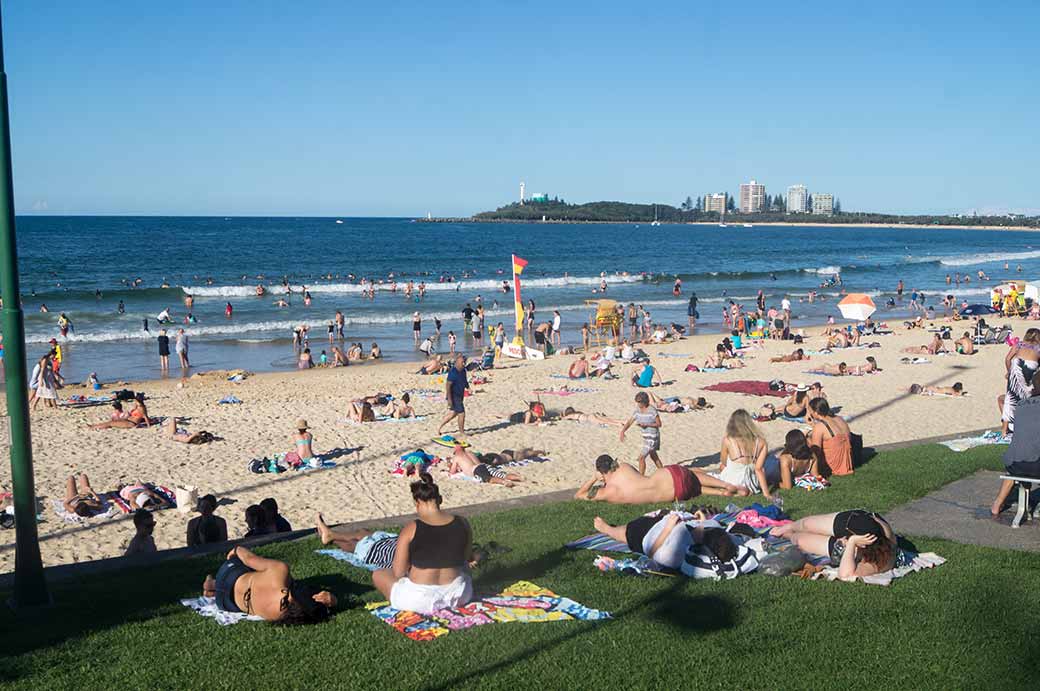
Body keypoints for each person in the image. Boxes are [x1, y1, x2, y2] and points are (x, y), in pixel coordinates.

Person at [371, 473, 474, 615]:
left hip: (419, 600)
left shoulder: (412, 528)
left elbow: (399, 572)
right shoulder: (463, 522)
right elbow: (465, 559)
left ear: (417, 503)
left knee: (379, 574)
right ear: (440, 499)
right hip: (458, 595)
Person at [201, 545, 335, 623]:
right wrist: (334, 602)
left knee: (253, 567)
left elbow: (249, 558)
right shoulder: (282, 615)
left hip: (228, 575)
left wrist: (237, 549)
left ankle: (212, 583)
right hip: (225, 604)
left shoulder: (280, 571)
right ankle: (212, 591)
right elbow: (315, 613)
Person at [771, 510, 898, 580]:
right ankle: (788, 527)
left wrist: (851, 543)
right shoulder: (882, 531)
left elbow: (845, 574)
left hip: (848, 546)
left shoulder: (880, 559)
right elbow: (879, 522)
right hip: (853, 521)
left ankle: (787, 534)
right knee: (806, 525)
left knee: (800, 540)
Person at [574, 454, 747, 504]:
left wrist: (593, 479)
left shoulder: (607, 493)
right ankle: (725, 484)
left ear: (601, 472)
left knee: (694, 488)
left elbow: (578, 495)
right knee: (692, 475)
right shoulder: (624, 467)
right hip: (668, 475)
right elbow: (638, 479)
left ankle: (722, 493)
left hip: (676, 493)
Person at [591, 511, 730, 570]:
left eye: (703, 529)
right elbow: (709, 526)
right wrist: (701, 519)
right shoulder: (714, 528)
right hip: (664, 521)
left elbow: (651, 553)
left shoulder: (674, 555)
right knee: (647, 519)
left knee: (628, 529)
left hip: (645, 534)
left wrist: (668, 528)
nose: (703, 527)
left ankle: (606, 528)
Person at [991, 381, 1040, 516]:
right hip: (1035, 465)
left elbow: (1002, 400)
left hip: (1014, 464)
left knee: (1021, 456)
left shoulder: (1021, 406)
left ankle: (997, 505)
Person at [1001, 328, 1040, 436]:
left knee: (1010, 398)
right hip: (1029, 369)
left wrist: (1009, 372)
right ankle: (1026, 424)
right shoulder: (1038, 348)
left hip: (1016, 368)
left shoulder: (1019, 345)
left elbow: (1007, 359)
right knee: (1027, 396)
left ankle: (1004, 430)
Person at [809, 398, 854, 476]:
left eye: (811, 411)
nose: (810, 413)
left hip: (833, 465)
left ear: (816, 412)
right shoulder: (839, 419)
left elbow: (816, 451)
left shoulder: (819, 427)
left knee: (807, 440)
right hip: (848, 461)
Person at [448, 444, 523, 487]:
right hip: (484, 465)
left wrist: (450, 465)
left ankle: (504, 482)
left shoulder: (457, 457)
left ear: (455, 452)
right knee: (503, 475)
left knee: (489, 479)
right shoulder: (470, 453)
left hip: (477, 470)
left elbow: (452, 472)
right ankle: (520, 478)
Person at [437, 355, 469, 436]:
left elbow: (464, 381)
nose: (463, 364)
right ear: (457, 362)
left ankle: (439, 427)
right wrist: (449, 400)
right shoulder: (453, 372)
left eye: (464, 362)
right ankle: (462, 432)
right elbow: (448, 386)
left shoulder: (463, 371)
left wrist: (468, 388)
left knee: (453, 413)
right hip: (454, 396)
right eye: (462, 362)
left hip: (460, 395)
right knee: (461, 413)